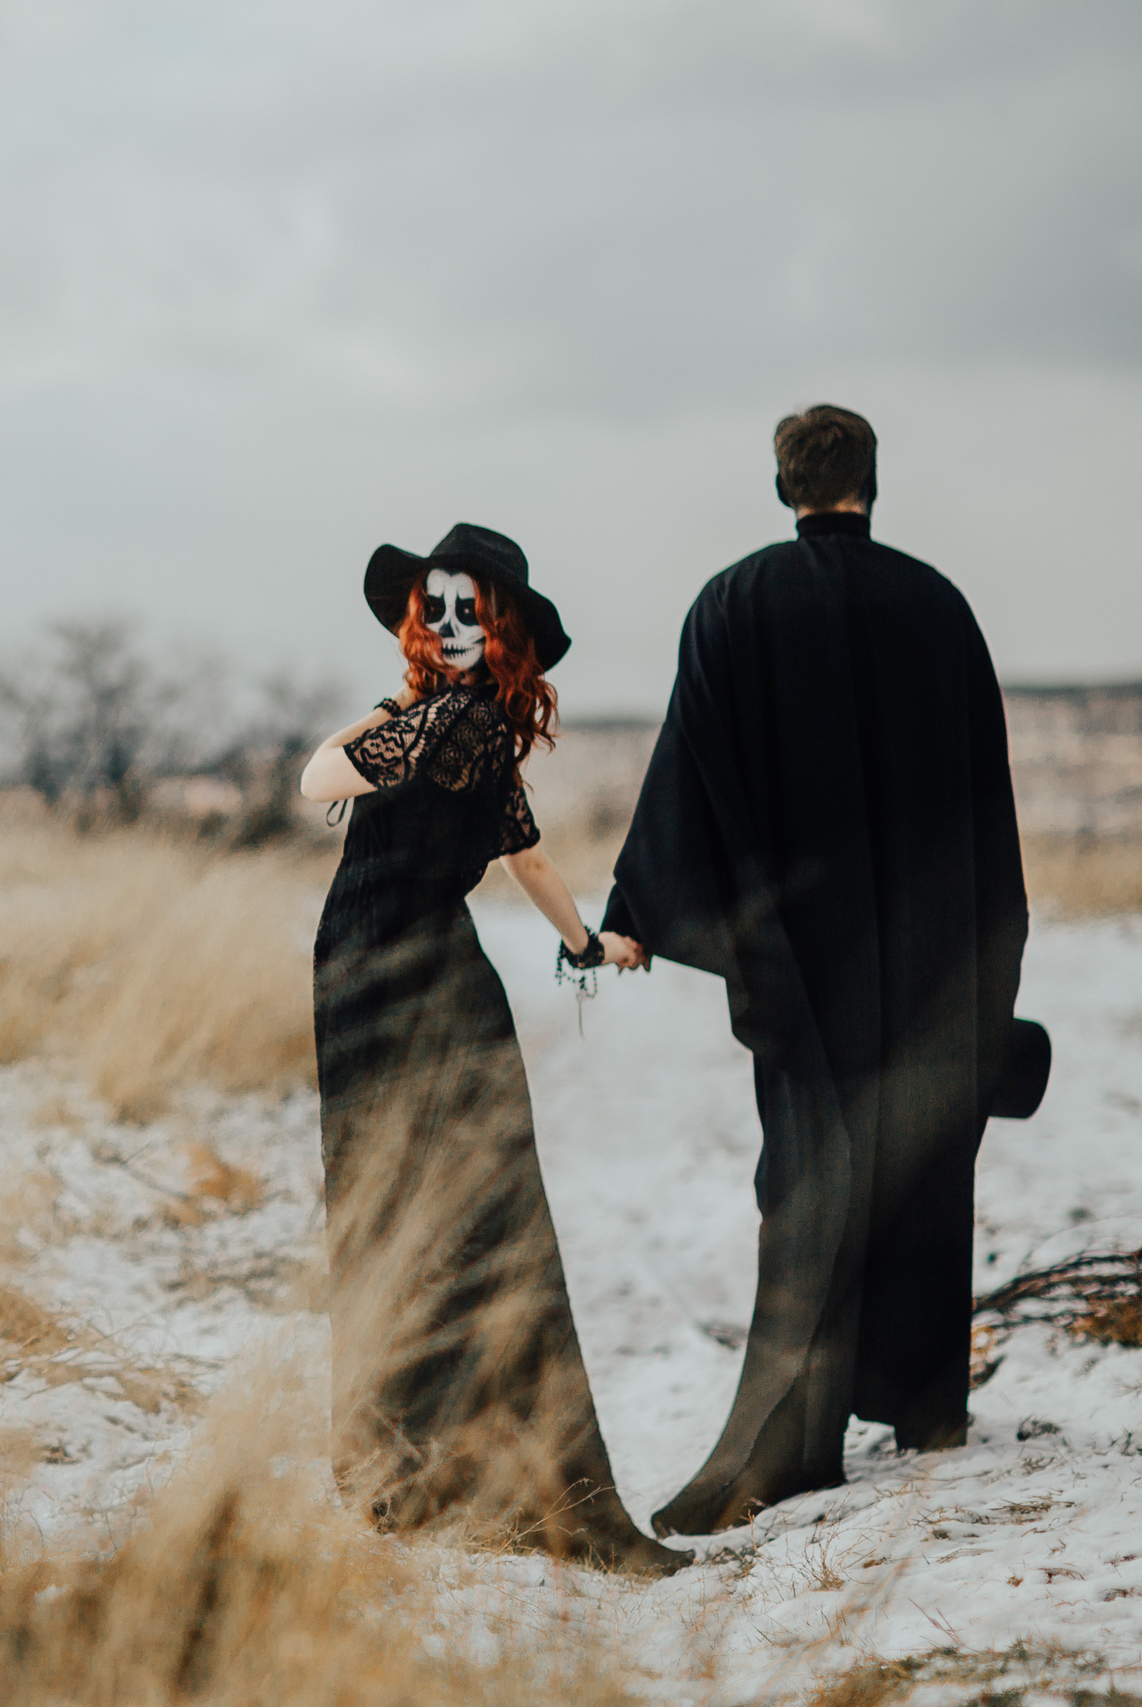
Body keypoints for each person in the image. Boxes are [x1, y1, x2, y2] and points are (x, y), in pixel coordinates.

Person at [597, 405, 1029, 1537]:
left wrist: (634, 911)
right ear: (870, 483)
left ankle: (794, 1434)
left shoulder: (731, 605)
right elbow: (985, 795)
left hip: (801, 958)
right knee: (922, 1161)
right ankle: (924, 1403)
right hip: (931, 948)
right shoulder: (939, 606)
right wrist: (995, 948)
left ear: (781, 485)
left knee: (804, 1178)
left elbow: (688, 770)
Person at [299, 523, 687, 1577]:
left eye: (469, 610)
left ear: (501, 625)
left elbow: (319, 775)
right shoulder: (469, 724)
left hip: (397, 976)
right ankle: (431, 1467)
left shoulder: (447, 721)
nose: (450, 624)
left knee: (425, 1206)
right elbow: (524, 856)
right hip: (396, 978)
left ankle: (422, 1471)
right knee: (437, 1205)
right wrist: (583, 943)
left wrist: (587, 944)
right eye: (434, 609)